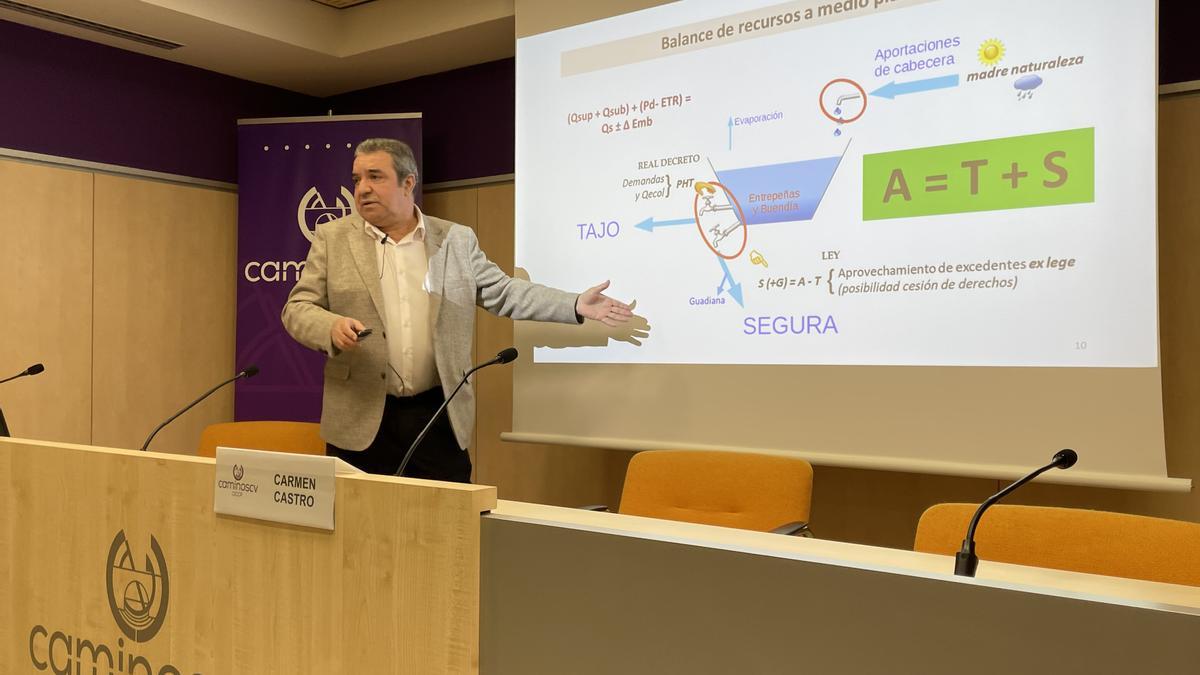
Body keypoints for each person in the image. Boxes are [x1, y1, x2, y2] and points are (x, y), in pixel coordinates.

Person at [282, 138, 631, 482]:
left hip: (438, 414)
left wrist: (573, 303)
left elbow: (504, 291)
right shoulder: (333, 237)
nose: (363, 189)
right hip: (360, 414)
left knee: (447, 527)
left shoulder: (454, 239)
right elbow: (297, 308)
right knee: (359, 528)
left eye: (375, 177)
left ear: (408, 183)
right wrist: (329, 326)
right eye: (357, 179)